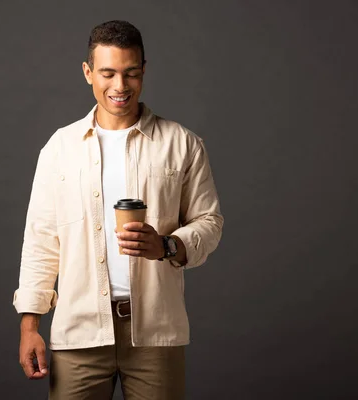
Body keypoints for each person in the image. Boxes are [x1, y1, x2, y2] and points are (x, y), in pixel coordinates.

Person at [12, 20, 223, 399]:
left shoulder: (181, 143)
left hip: (155, 332)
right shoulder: (60, 148)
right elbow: (41, 240)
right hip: (79, 330)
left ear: (144, 71)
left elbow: (210, 221)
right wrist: (30, 326)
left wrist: (167, 246)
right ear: (88, 72)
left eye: (131, 73)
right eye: (108, 73)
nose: (120, 86)